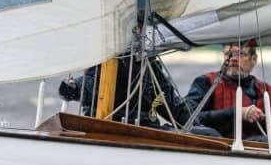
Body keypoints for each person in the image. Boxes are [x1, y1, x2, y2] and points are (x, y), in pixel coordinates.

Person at [59, 55, 219, 136]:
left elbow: (171, 105)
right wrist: (73, 88)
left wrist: (197, 128)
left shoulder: (148, 65)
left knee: (210, 134)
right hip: (107, 129)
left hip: (146, 130)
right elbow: (91, 84)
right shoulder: (107, 60)